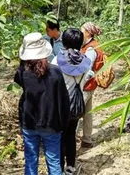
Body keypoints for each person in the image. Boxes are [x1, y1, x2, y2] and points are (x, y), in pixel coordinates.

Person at [14, 32, 70, 175]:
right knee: (54, 162)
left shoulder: (22, 73)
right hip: (51, 123)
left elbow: (23, 77)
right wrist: (64, 123)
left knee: (31, 161)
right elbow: (64, 100)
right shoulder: (56, 72)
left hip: (29, 122)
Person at [51, 28, 93, 175]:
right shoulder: (86, 62)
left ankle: (60, 167)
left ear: (64, 42)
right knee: (70, 135)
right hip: (77, 105)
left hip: (60, 106)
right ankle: (71, 166)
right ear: (81, 43)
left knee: (60, 136)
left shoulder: (57, 61)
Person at [79, 22, 103, 148]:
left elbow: (87, 70)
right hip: (90, 85)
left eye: (81, 30)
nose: (80, 32)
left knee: (76, 112)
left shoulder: (90, 48)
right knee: (88, 111)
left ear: (88, 33)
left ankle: (70, 139)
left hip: (86, 85)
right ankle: (87, 139)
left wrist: (80, 84)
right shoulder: (92, 46)